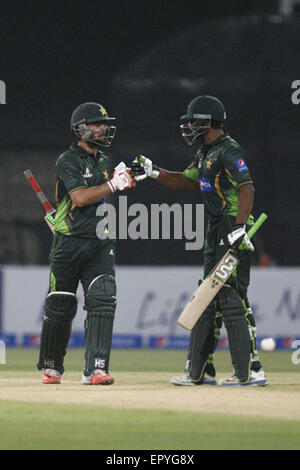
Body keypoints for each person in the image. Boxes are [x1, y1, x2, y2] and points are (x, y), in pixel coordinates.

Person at [131, 95, 268, 386]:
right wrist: (154, 171)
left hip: (232, 224)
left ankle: (253, 369)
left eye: (194, 121)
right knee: (210, 297)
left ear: (208, 121)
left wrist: (240, 226)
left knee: (232, 296)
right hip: (217, 227)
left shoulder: (229, 150)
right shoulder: (206, 153)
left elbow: (247, 188)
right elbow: (186, 181)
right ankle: (204, 370)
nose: (189, 126)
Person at [37, 102, 136, 385]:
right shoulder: (67, 160)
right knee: (60, 304)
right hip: (69, 242)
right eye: (95, 124)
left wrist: (128, 178)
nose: (102, 128)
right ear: (79, 129)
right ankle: (52, 366)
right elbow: (80, 198)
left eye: (103, 124)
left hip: (101, 240)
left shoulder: (102, 160)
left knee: (103, 299)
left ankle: (96, 368)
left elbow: (100, 194)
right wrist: (114, 185)